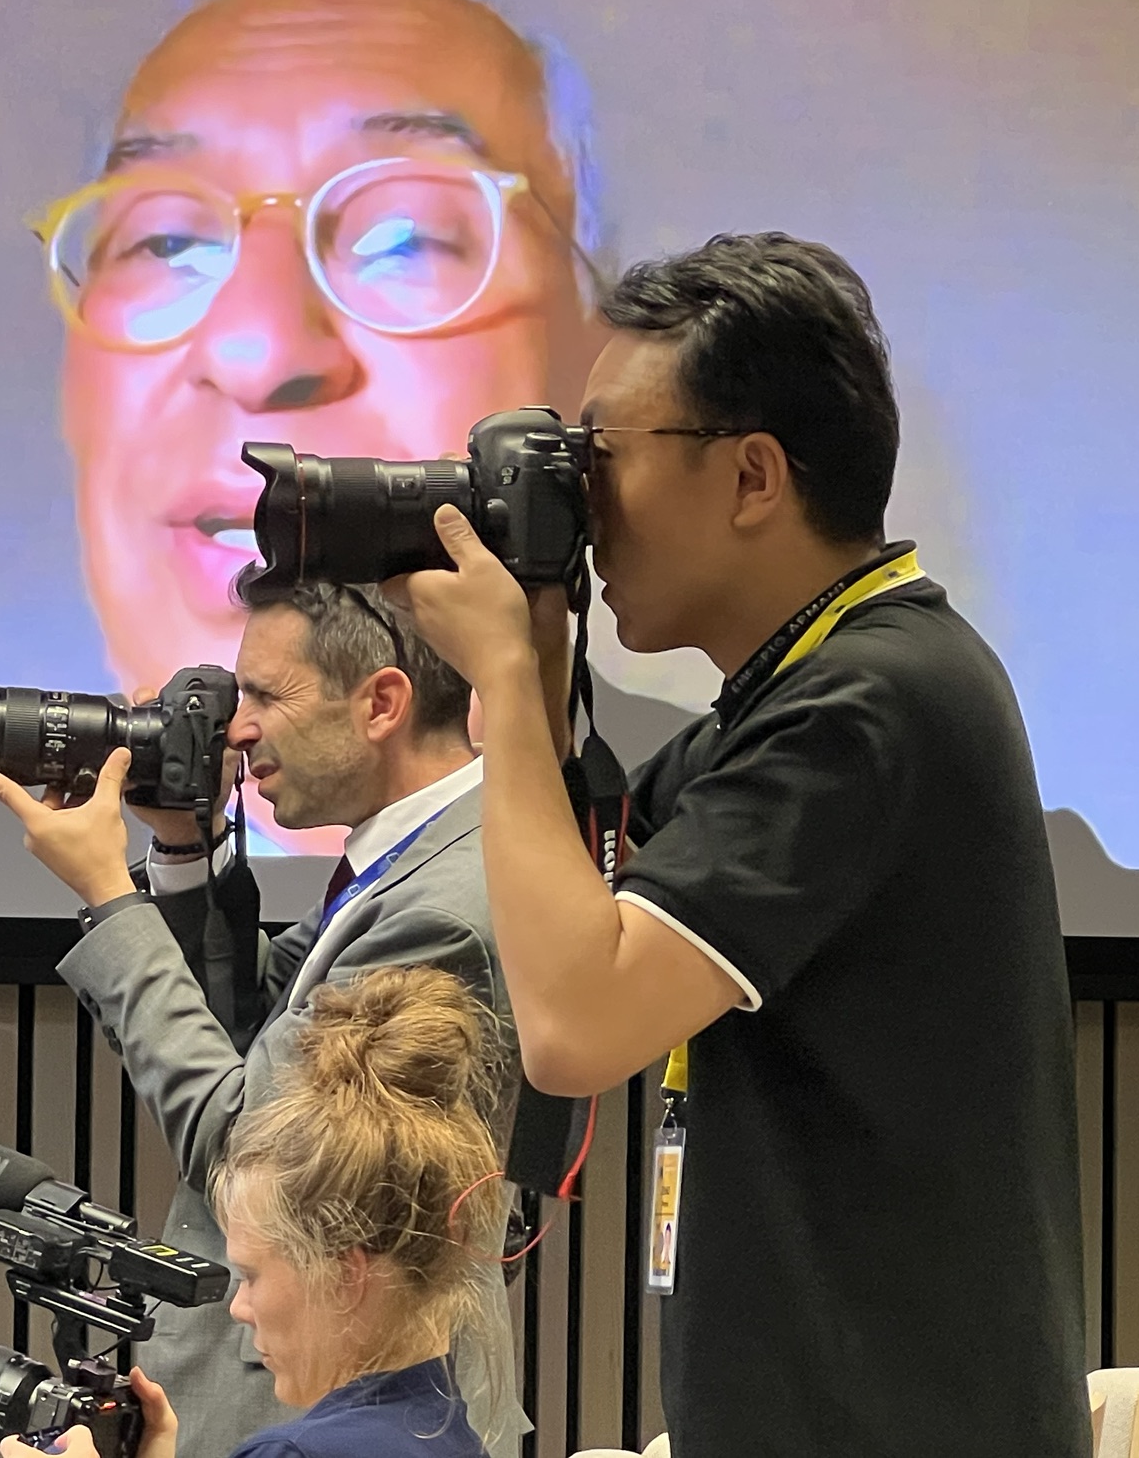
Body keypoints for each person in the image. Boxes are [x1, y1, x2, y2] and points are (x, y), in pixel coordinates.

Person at [390, 232, 1091, 1456]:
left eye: (601, 455)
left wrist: (501, 670)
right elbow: (579, 889)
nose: (583, 504)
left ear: (752, 475)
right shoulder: (794, 695)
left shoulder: (868, 702)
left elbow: (574, 1025)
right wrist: (536, 664)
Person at [36, 0, 610, 851]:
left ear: (590, 353)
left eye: (403, 237)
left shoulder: (685, 817)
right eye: (168, 241)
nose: (256, 348)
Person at [0, 584, 533, 1458]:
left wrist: (108, 892)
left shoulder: (445, 904)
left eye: (265, 694)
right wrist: (184, 848)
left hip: (331, 1394)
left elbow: (251, 1148)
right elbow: (258, 1031)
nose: (237, 728)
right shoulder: (418, 855)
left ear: (382, 703)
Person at [0, 965, 509, 1458]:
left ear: (345, 1275)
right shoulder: (451, 1431)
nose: (238, 1307)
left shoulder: (293, 1453)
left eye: (251, 1275)